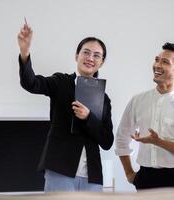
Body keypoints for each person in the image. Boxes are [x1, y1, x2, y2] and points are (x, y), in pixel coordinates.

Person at [17, 21, 114, 192]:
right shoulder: (61, 82)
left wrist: (88, 118)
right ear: (77, 56)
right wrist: (25, 52)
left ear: (102, 62)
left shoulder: (104, 98)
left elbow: (107, 141)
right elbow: (31, 83)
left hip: (92, 177)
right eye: (86, 52)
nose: (90, 58)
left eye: (97, 55)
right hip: (59, 169)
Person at [115, 43, 174, 190]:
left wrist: (159, 142)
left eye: (165, 62)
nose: (157, 65)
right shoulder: (138, 100)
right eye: (157, 60)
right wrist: (129, 173)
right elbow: (121, 138)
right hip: (145, 178)